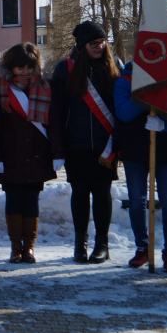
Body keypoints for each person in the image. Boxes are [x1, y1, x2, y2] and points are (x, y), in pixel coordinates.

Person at [49, 21, 120, 264]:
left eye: (102, 42)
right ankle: (80, 244)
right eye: (93, 43)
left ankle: (102, 245)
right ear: (81, 45)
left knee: (102, 193)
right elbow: (56, 110)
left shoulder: (114, 66)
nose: (99, 47)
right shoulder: (64, 69)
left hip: (105, 144)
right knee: (80, 193)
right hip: (75, 143)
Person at [0, 43, 56, 264]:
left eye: (29, 67)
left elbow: (54, 124)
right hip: (10, 155)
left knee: (32, 201)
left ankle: (29, 248)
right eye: (20, 68)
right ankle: (15, 248)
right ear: (11, 67)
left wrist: (58, 153)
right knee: (13, 200)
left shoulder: (46, 86)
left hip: (38, 154)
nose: (25, 72)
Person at [115, 60, 167, 272]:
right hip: (135, 150)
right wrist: (145, 93)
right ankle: (142, 247)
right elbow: (124, 112)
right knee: (137, 201)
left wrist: (165, 125)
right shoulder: (124, 81)